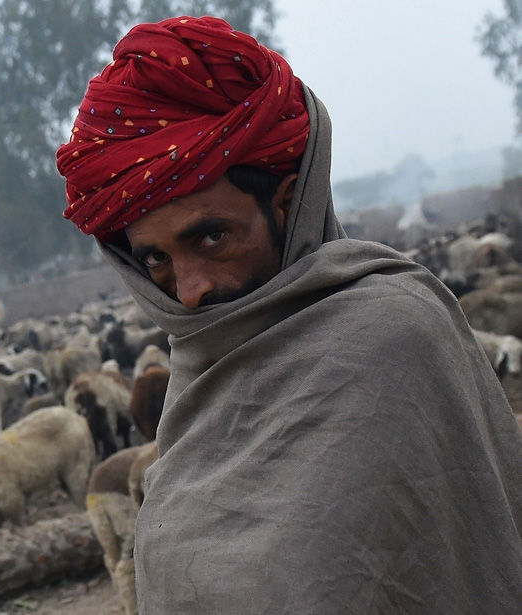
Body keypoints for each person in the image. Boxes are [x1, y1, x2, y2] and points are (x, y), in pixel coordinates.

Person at [56, 15, 522, 614]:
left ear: (288, 202)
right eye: (156, 259)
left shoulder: (396, 338)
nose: (190, 290)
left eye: (212, 237)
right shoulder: (194, 386)